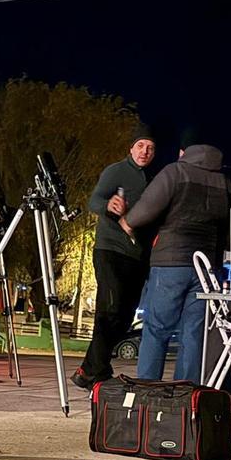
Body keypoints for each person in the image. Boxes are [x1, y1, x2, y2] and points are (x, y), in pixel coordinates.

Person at [120, 128, 231, 383]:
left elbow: (146, 209)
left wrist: (127, 221)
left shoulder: (175, 172)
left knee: (157, 329)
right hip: (208, 270)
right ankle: (185, 396)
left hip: (171, 263)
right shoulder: (228, 185)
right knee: (193, 334)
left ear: (184, 152)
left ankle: (148, 389)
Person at [71, 130, 157, 390]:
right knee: (109, 309)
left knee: (124, 316)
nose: (144, 151)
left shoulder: (154, 180)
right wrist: (109, 205)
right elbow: (93, 201)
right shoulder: (116, 171)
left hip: (138, 256)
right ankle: (94, 370)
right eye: (140, 145)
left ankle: (90, 369)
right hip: (110, 250)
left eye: (150, 148)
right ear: (131, 148)